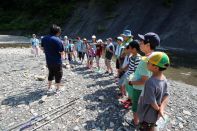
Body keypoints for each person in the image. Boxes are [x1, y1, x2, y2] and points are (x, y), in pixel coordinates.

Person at [128, 32, 160, 128]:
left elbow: (143, 80)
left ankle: (135, 122)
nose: (139, 43)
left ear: (148, 45)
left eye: (142, 41)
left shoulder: (145, 61)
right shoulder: (155, 57)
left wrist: (131, 82)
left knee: (135, 107)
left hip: (139, 88)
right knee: (142, 106)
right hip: (147, 89)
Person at [137, 52, 170, 131]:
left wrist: (158, 109)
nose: (147, 63)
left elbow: (152, 101)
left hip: (147, 115)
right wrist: (161, 110)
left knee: (144, 127)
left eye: (149, 62)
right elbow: (166, 95)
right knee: (152, 126)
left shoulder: (150, 82)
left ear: (155, 68)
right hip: (155, 115)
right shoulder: (164, 79)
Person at [41, 24, 65, 93]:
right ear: (57, 32)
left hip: (48, 60)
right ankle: (58, 89)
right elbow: (62, 52)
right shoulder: (58, 40)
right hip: (57, 61)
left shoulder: (44, 38)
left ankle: (49, 87)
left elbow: (42, 48)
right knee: (59, 74)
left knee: (51, 73)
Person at [119, 40, 141, 108]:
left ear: (134, 49)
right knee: (127, 88)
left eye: (130, 48)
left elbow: (136, 70)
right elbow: (129, 64)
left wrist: (132, 79)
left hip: (132, 77)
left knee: (131, 90)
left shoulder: (138, 58)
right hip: (128, 75)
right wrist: (123, 69)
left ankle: (131, 102)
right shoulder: (132, 56)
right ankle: (128, 99)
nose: (129, 49)